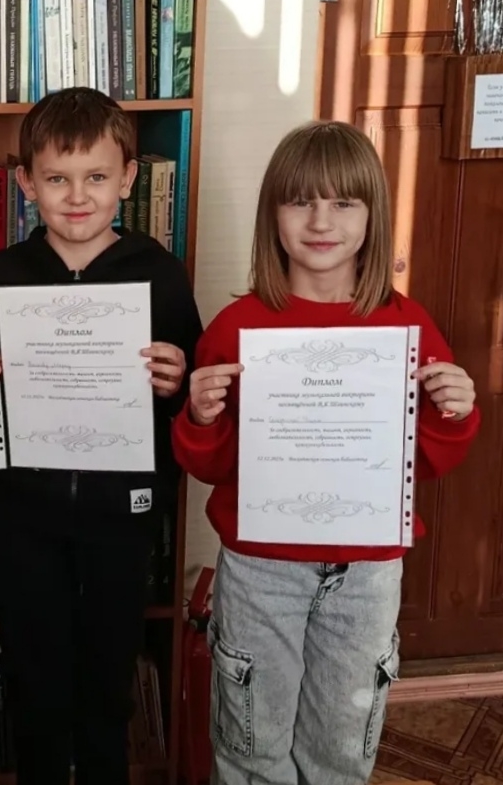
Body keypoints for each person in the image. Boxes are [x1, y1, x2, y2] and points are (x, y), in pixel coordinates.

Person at [171, 120, 480, 785]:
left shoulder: (406, 325)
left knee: (341, 745)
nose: (320, 220)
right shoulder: (236, 327)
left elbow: (425, 462)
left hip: (366, 571)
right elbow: (210, 466)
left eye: (343, 201)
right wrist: (200, 417)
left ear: (372, 215)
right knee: (250, 739)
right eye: (300, 201)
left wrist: (453, 412)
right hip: (260, 567)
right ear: (272, 215)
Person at [0, 87, 204, 785]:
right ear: (26, 183)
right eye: (57, 178)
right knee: (34, 678)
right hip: (25, 516)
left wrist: (176, 377)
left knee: (106, 677)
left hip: (120, 518)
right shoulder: (1, 274)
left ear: (127, 178)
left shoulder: (158, 272)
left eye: (96, 176)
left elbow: (193, 393)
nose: (76, 196)